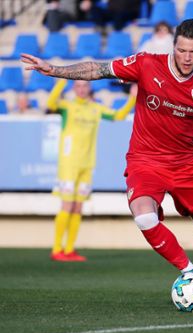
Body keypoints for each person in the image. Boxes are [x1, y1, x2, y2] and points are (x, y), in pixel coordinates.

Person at [21, 19, 193, 309]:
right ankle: (190, 272)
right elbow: (98, 69)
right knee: (144, 216)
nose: (187, 57)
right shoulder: (147, 64)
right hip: (145, 158)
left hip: (185, 163)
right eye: (182, 50)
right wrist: (55, 70)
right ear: (173, 46)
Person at [46, 79, 136, 262]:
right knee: (67, 205)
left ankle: (69, 250)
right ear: (74, 88)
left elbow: (118, 116)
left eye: (84, 86)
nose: (81, 89)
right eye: (77, 86)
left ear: (89, 88)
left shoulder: (96, 108)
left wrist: (133, 99)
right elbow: (50, 103)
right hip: (69, 164)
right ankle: (57, 249)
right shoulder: (67, 106)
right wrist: (62, 80)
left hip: (87, 164)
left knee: (78, 207)